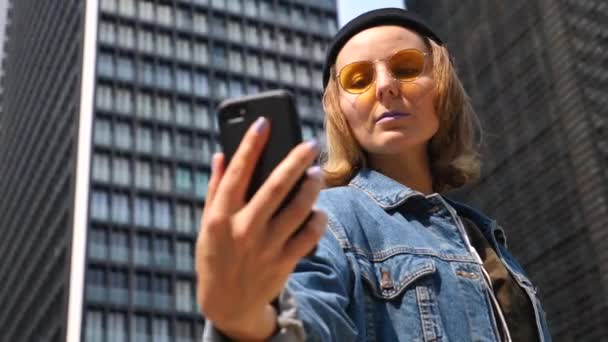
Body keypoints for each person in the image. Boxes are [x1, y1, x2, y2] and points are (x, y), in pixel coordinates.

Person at [195, 8, 552, 342]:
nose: (385, 86)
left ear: (442, 85)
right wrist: (243, 320)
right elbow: (309, 314)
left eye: (408, 67)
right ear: (340, 110)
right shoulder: (331, 218)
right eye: (358, 78)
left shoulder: (485, 236)